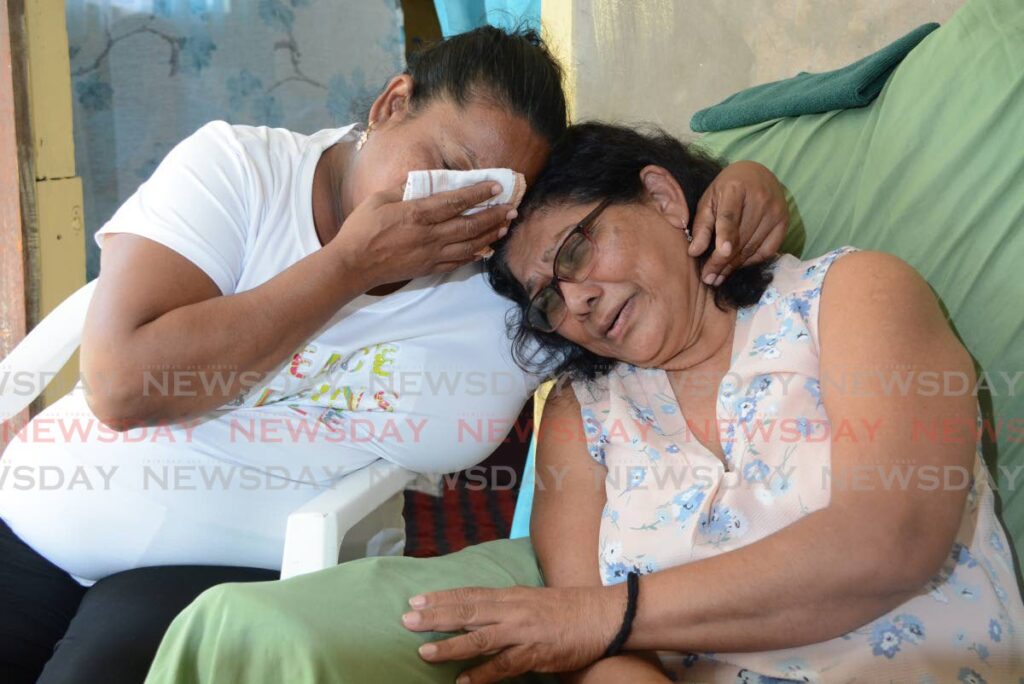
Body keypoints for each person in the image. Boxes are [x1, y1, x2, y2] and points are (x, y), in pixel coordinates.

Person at [0, 28, 791, 684]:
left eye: (491, 191)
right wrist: (346, 267)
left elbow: (642, 269)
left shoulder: (512, 283)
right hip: (37, 517)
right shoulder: (241, 171)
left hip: (222, 573)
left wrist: (749, 182)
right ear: (391, 104)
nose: (454, 204)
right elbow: (122, 386)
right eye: (441, 163)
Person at [145, 123, 1021, 684]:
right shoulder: (580, 413)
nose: (576, 303)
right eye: (545, 300)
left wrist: (607, 616)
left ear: (664, 197)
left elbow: (888, 540)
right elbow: (592, 649)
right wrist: (599, 634)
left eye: (574, 252)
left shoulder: (849, 297)